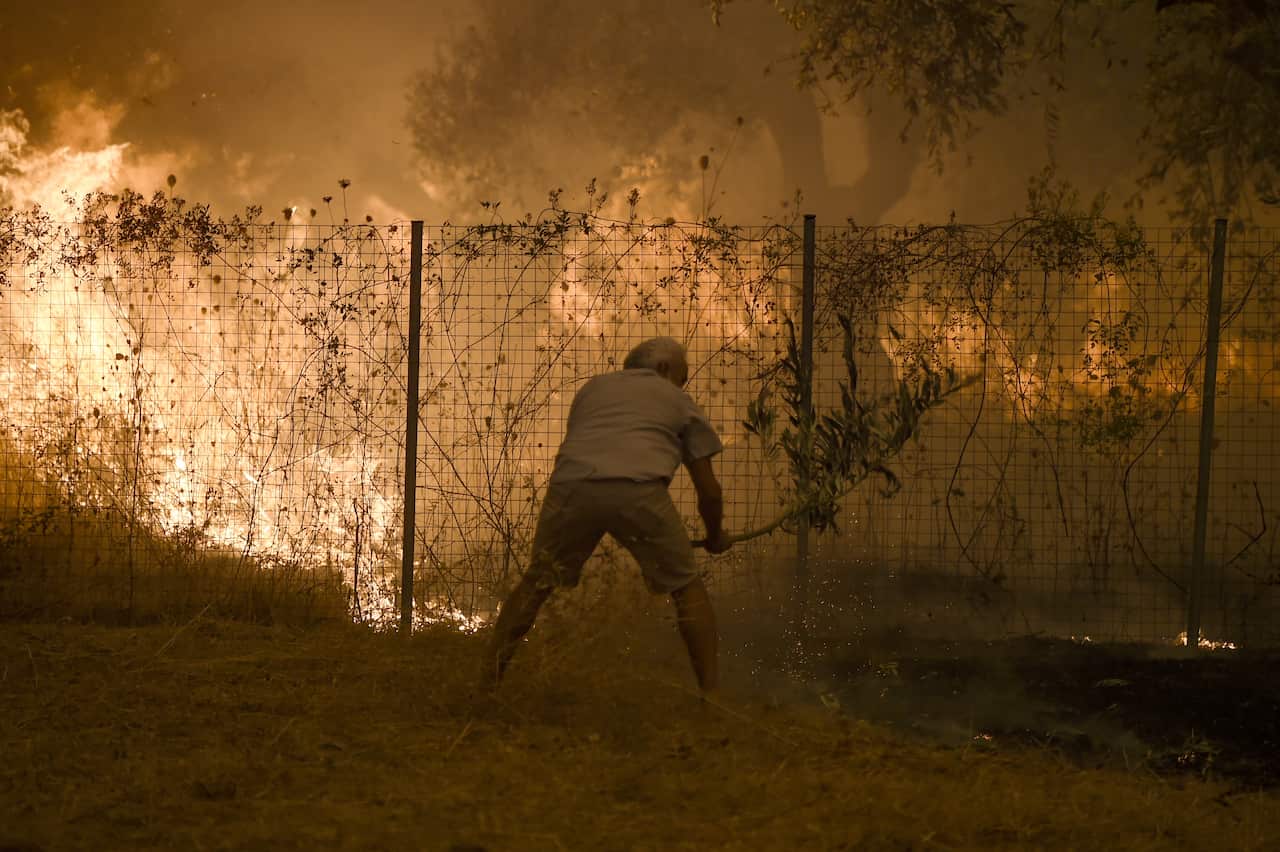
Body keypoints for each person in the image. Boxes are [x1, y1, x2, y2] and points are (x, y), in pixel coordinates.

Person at [483, 336, 732, 697]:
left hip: (571, 487)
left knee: (537, 582)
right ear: (664, 369)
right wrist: (714, 536)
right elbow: (709, 490)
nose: (684, 384)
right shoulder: (679, 400)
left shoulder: (592, 390)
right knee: (686, 586)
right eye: (683, 375)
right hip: (639, 490)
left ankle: (486, 684)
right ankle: (712, 698)